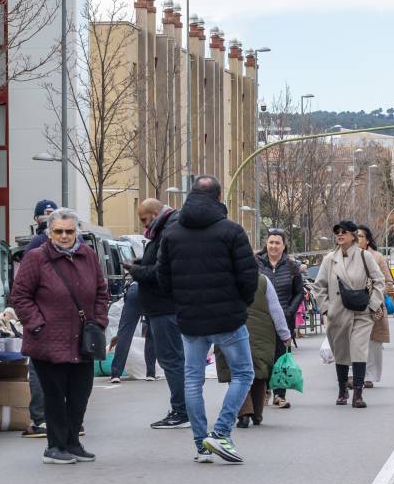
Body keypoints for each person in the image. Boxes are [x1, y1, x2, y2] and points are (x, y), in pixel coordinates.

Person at [157, 176, 258, 464]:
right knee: (243, 374)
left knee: (193, 380)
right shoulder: (231, 231)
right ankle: (221, 432)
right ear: (218, 197)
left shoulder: (172, 233)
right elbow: (248, 276)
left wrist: (182, 303)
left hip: (190, 320)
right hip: (228, 319)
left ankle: (201, 445)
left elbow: (163, 279)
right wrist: (241, 304)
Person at [11, 207, 109, 465]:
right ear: (49, 233)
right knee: (54, 396)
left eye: (69, 231)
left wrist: (99, 321)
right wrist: (38, 324)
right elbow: (20, 296)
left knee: (80, 394)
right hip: (48, 340)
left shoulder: (88, 255)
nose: (64, 236)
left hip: (83, 339)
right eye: (58, 231)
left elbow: (101, 292)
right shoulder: (36, 258)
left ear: (77, 232)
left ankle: (73, 442)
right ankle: (55, 446)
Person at [119, 199, 187, 428]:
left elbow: (161, 272)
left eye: (144, 219)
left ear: (155, 213)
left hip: (164, 307)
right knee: (174, 359)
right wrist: (141, 263)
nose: (143, 225)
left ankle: (181, 411)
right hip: (164, 307)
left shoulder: (168, 232)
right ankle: (183, 409)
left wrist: (136, 270)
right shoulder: (166, 230)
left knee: (171, 360)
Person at [311, 220, 385, 408]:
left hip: (361, 312)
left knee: (359, 350)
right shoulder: (329, 259)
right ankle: (343, 389)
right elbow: (318, 286)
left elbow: (379, 280)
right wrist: (326, 309)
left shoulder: (364, 257)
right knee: (341, 351)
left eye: (344, 232)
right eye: (337, 232)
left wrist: (373, 305)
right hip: (338, 313)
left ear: (353, 235)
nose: (339, 235)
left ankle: (358, 394)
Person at [217, 274, 291, 428]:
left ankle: (244, 414)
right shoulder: (262, 280)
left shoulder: (221, 277)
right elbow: (275, 309)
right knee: (259, 372)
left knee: (236, 372)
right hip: (262, 333)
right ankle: (257, 414)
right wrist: (284, 333)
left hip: (230, 329)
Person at [110, 200, 166, 385]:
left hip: (135, 291)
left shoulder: (153, 243)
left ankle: (116, 373)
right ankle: (150, 372)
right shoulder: (161, 243)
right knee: (151, 333)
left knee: (125, 331)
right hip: (151, 293)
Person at [21, 198, 58, 439]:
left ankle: (42, 419)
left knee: (38, 368)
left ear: (36, 220)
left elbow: (22, 287)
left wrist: (32, 320)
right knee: (67, 370)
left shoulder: (35, 245)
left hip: (43, 318)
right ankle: (70, 419)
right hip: (68, 319)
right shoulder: (78, 245)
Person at [257, 229, 304, 408]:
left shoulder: (292, 267)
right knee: (262, 356)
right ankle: (264, 391)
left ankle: (279, 395)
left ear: (284, 246)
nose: (274, 246)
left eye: (277, 243)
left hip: (284, 319)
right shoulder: (257, 264)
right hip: (262, 320)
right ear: (266, 244)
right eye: (271, 242)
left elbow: (299, 292)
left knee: (282, 356)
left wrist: (290, 311)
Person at [355, 226, 391, 387]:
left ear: (368, 240)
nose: (357, 239)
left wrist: (375, 299)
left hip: (372, 307)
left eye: (360, 236)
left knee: (373, 342)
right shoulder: (347, 256)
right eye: (355, 235)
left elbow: (388, 281)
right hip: (352, 305)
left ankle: (370, 376)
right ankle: (353, 374)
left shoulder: (377, 257)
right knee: (354, 341)